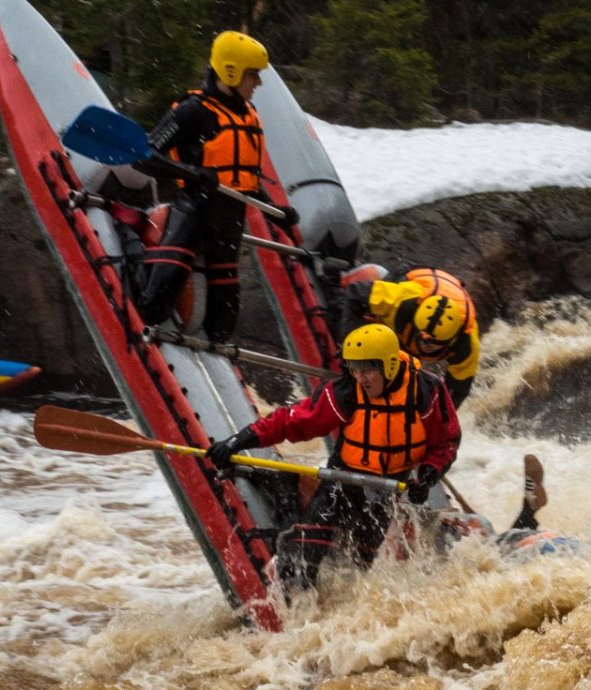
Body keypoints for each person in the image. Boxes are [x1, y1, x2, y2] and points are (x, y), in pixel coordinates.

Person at [206, 323, 460, 602]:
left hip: (384, 492)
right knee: (302, 559)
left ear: (388, 365)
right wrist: (239, 441)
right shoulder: (348, 390)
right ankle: (295, 614)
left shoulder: (426, 392)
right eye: (355, 369)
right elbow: (295, 420)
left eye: (367, 370)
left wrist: (428, 476)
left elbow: (445, 442)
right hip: (341, 482)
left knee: (357, 571)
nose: (360, 377)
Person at [135, 30, 298, 342]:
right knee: (153, 306)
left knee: (222, 328)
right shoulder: (192, 110)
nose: (258, 83)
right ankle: (134, 256)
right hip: (194, 215)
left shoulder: (249, 115)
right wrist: (193, 172)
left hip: (228, 225)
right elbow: (144, 157)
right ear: (231, 71)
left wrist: (276, 212)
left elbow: (245, 180)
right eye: (254, 75)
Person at [338, 265, 480, 407]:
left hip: (436, 303)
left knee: (404, 370)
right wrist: (350, 346)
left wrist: (435, 417)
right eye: (421, 337)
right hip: (410, 284)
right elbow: (355, 294)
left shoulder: (466, 347)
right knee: (373, 337)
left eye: (431, 343)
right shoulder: (403, 300)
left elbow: (458, 390)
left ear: (449, 342)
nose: (424, 345)